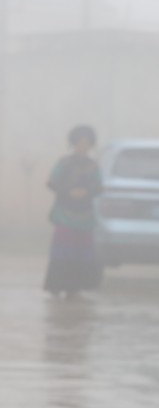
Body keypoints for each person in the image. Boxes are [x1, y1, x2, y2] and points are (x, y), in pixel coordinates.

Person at [43, 124, 103, 298]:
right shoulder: (63, 163)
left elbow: (99, 187)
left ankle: (75, 288)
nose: (83, 146)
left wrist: (87, 192)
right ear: (73, 143)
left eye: (87, 143)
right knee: (63, 250)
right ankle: (56, 285)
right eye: (80, 142)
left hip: (85, 215)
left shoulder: (93, 166)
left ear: (91, 145)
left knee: (81, 251)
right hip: (64, 213)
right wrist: (69, 191)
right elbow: (51, 182)